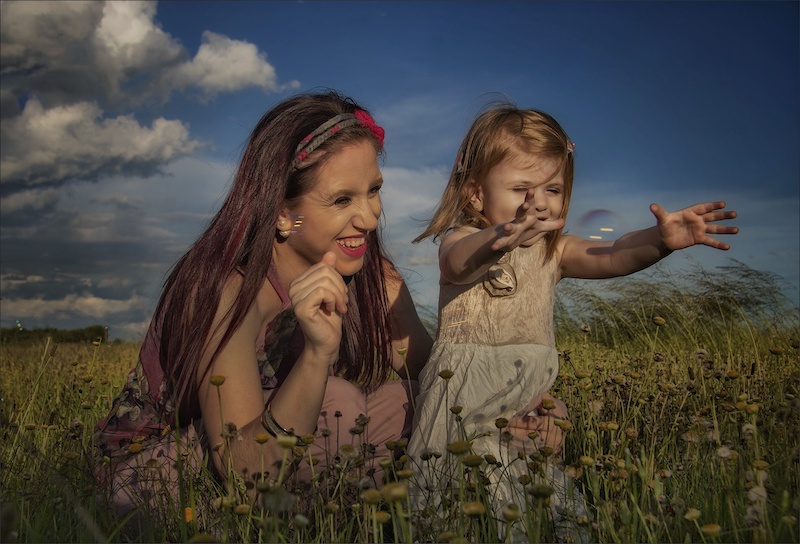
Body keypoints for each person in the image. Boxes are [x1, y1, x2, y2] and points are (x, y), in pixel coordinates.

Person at [94, 91, 433, 525]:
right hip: (158, 471)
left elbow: (437, 374)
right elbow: (240, 472)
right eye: (342, 200)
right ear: (281, 213)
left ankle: (348, 517)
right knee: (338, 405)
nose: (369, 217)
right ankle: (317, 520)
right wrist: (316, 356)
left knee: (414, 403)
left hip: (288, 454)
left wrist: (518, 402)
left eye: (374, 190)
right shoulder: (222, 290)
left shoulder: (369, 276)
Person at [406, 104, 738, 538]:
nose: (539, 204)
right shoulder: (467, 239)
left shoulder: (553, 251)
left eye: (554, 189)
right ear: (475, 195)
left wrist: (661, 240)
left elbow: (614, 254)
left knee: (539, 511)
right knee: (448, 508)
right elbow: (456, 264)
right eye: (522, 188)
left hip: (521, 411)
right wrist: (498, 240)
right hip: (458, 406)